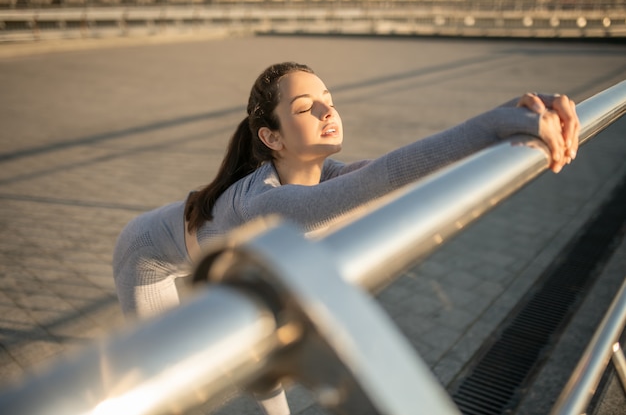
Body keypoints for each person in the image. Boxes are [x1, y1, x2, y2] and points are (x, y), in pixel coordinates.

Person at [112, 62, 580, 415]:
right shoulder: (267, 203)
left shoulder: (325, 174)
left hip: (215, 257)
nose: (326, 108)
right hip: (147, 257)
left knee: (258, 361)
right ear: (272, 138)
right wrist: (492, 126)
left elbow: (392, 171)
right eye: (304, 107)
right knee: (167, 387)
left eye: (327, 97)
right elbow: (386, 176)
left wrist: (510, 114)